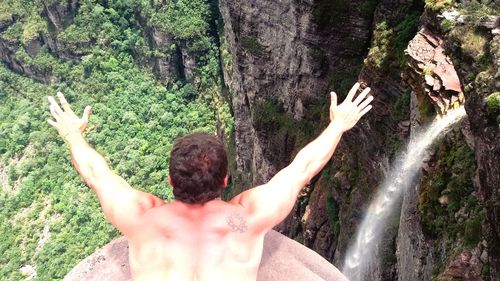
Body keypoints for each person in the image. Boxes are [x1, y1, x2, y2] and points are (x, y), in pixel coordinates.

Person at [47, 82, 373, 281]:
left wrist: (73, 133)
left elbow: (96, 175)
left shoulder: (142, 217)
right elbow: (303, 167)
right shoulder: (245, 219)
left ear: (171, 181)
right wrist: (338, 125)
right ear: (225, 180)